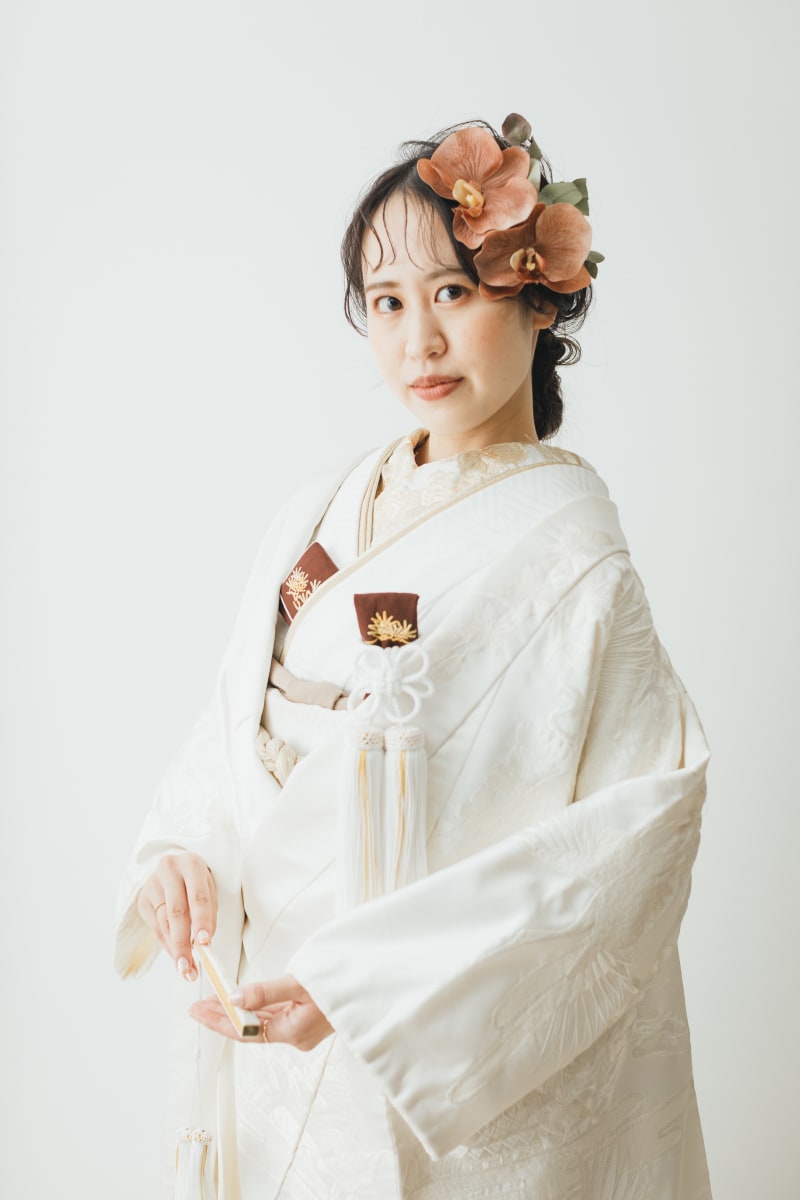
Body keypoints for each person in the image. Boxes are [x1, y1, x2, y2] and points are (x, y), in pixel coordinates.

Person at [115, 114, 712, 1198]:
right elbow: (232, 729)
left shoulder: (576, 565)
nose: (418, 341)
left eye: (453, 292)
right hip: (262, 1000)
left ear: (541, 296)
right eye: (387, 302)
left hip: (425, 1059)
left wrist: (368, 990)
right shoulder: (321, 505)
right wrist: (183, 852)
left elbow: (628, 849)